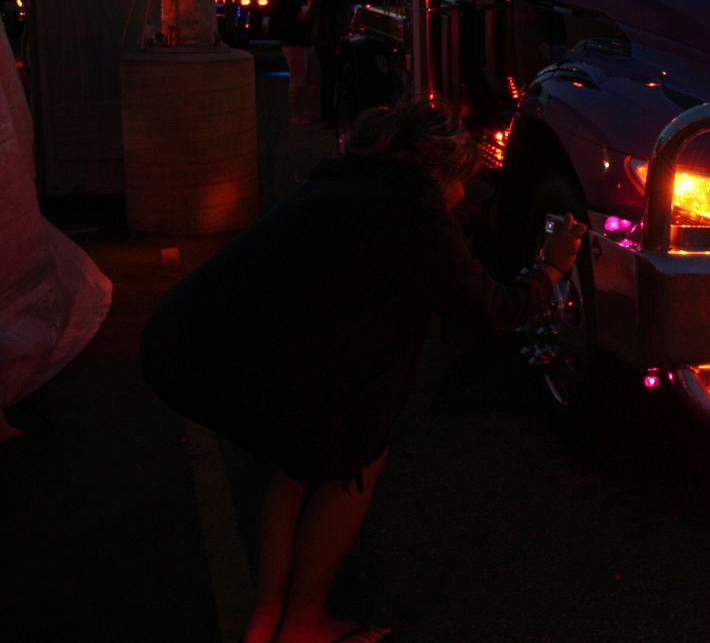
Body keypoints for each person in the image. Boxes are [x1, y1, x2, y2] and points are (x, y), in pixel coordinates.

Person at [141, 99, 588, 643]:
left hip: (188, 342)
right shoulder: (408, 206)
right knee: (353, 458)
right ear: (437, 169)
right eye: (460, 181)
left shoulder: (351, 185)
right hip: (231, 359)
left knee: (298, 465)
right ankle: (303, 622)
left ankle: (268, 621)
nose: (462, 196)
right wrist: (551, 266)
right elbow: (489, 310)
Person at [271, 0, 316, 124]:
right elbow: (288, 19)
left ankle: (308, 112)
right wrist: (302, 16)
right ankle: (296, 115)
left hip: (302, 41)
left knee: (309, 77)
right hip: (294, 41)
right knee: (297, 80)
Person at [310, 0, 354, 129]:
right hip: (336, 45)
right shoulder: (341, 1)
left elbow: (313, 20)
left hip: (321, 44)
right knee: (340, 81)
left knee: (327, 81)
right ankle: (340, 114)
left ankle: (327, 114)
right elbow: (343, 24)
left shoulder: (319, 0)